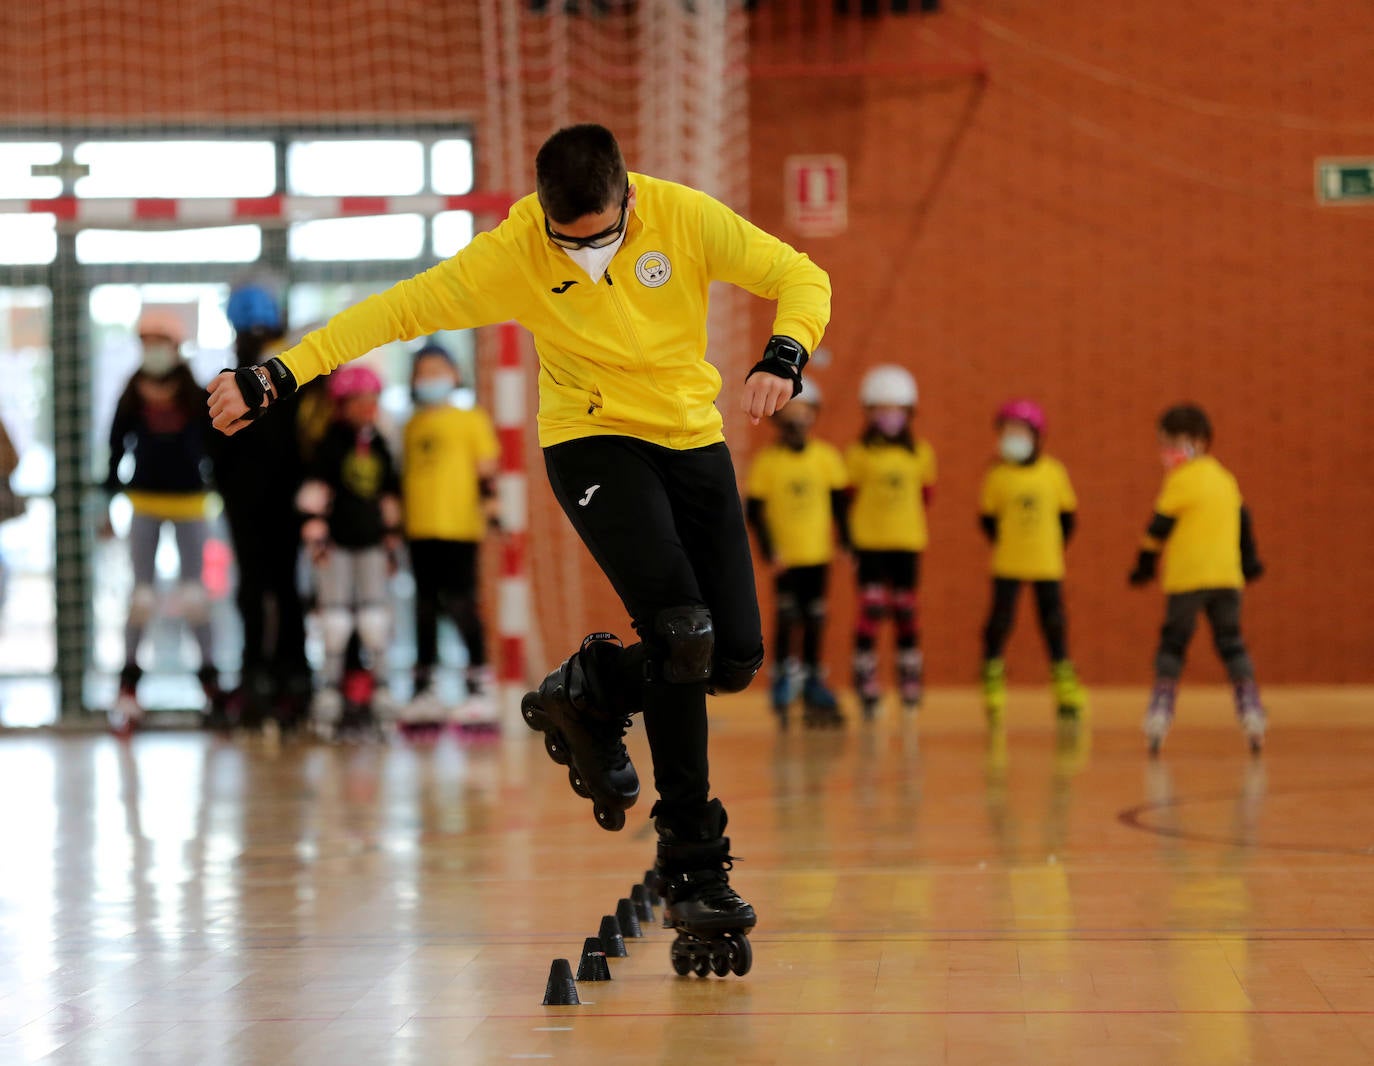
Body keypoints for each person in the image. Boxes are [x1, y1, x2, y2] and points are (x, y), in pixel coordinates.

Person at [207, 123, 829, 977]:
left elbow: (801, 272)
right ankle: (694, 863)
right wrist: (277, 375)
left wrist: (786, 351)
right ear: (542, 214)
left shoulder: (683, 218)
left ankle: (593, 689)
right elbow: (391, 312)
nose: (582, 258)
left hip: (690, 439)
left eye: (600, 238)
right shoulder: (513, 252)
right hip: (590, 441)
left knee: (731, 658)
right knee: (682, 631)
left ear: (629, 200)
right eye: (564, 242)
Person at [102, 310, 220, 734]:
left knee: (194, 596)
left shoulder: (193, 391)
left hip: (189, 501)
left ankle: (211, 686)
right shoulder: (133, 390)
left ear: (175, 345)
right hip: (146, 501)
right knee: (142, 597)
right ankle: (129, 690)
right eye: (145, 340)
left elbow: (215, 443)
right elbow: (116, 447)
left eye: (158, 340)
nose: (151, 349)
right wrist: (106, 504)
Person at [1128, 403, 1266, 755]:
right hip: (1226, 578)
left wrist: (1144, 565)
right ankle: (1251, 709)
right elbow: (1244, 522)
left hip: (1188, 580)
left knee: (1173, 644)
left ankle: (1160, 710)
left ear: (1200, 441)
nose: (1168, 451)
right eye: (1164, 443)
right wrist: (1249, 563)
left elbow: (1158, 528)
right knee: (1231, 643)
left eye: (1175, 442)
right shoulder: (1224, 478)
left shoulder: (1180, 481)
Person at [206, 283, 313, 731]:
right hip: (263, 497)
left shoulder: (266, 377)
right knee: (267, 588)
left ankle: (276, 678)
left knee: (272, 588)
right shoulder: (285, 377)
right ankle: (278, 678)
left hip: (267, 498)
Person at [399, 340, 502, 734]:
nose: (431, 379)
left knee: (462, 605)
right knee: (424, 608)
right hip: (419, 529)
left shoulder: (471, 419)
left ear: (455, 374)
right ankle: (424, 688)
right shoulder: (411, 424)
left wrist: (494, 512)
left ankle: (478, 686)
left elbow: (487, 472)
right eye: (423, 373)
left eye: (438, 371)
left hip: (459, 528)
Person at [296, 364, 402, 740]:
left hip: (371, 543)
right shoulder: (331, 443)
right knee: (336, 621)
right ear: (342, 405)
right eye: (359, 402)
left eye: (372, 401)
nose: (367, 408)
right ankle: (329, 689)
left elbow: (389, 494)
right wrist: (317, 538)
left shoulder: (380, 445)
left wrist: (391, 539)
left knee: (375, 619)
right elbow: (315, 495)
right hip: (338, 545)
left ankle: (382, 687)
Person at [744, 379, 848, 728]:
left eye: (804, 412)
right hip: (785, 558)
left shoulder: (827, 458)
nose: (797, 419)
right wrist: (769, 551)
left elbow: (839, 507)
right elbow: (755, 513)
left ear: (813, 416)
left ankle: (813, 679)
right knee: (788, 616)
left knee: (816, 616)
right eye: (791, 412)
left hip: (817, 555)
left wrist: (847, 542)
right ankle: (784, 680)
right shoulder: (768, 463)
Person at [977, 399, 1087, 730]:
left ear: (1036, 436)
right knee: (999, 623)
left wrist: (1048, 546)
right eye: (1007, 432)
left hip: (1046, 564)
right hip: (1008, 563)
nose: (1012, 438)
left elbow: (1068, 519)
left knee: (1054, 625)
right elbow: (988, 521)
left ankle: (1065, 687)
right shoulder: (997, 476)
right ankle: (993, 680)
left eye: (1019, 432)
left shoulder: (1053, 472)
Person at [845, 364, 935, 718]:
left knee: (906, 611)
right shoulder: (858, 454)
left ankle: (909, 677)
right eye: (882, 409)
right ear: (869, 412)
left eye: (896, 409)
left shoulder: (920, 453)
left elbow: (926, 495)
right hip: (870, 543)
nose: (889, 416)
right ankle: (866, 680)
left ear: (908, 412)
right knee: (871, 610)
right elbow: (848, 497)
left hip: (907, 542)